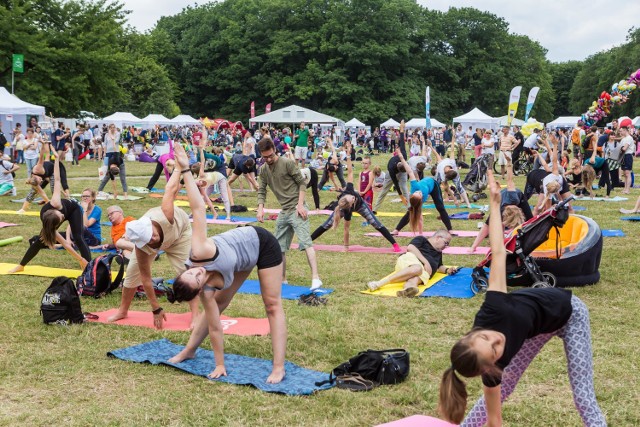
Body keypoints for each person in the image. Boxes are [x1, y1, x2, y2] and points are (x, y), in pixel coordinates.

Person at [438, 169, 606, 427]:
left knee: (582, 394)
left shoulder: (492, 311)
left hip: (569, 312)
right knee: (503, 390)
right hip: (534, 327)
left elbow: (498, 251)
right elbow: (495, 419)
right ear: (490, 367)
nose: (496, 341)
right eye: (494, 352)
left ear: (473, 333)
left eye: (485, 338)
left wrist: (495, 205)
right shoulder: (492, 370)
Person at [166, 142, 287, 384]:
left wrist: (186, 170)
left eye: (191, 272)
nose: (197, 271)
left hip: (261, 244)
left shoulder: (200, 253)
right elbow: (215, 327)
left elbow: (198, 209)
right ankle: (190, 349)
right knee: (217, 306)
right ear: (200, 288)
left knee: (272, 305)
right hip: (237, 261)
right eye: (197, 277)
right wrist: (219, 364)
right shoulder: (206, 292)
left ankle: (279, 366)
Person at [107, 156, 197, 330]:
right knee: (132, 273)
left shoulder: (166, 214)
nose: (153, 239)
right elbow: (146, 279)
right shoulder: (142, 245)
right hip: (157, 240)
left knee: (186, 274)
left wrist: (178, 167)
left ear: (152, 226)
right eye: (149, 239)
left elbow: (170, 189)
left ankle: (196, 315)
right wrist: (156, 308)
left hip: (179, 234)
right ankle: (123, 310)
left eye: (153, 235)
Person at [256, 137, 323, 290]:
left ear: (275, 150)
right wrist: (261, 208)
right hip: (285, 211)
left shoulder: (286, 163)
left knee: (306, 242)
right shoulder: (264, 170)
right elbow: (261, 190)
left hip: (297, 207)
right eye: (264, 157)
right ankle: (283, 279)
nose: (268, 159)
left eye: (270, 155)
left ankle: (316, 278)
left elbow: (301, 183)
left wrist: (300, 205)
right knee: (278, 247)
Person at [310, 143, 401, 252]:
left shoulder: (349, 189)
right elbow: (346, 229)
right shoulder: (346, 209)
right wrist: (346, 247)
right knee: (327, 225)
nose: (354, 197)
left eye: (352, 198)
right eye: (353, 199)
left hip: (361, 205)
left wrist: (348, 156)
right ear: (351, 204)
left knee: (375, 223)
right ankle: (308, 241)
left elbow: (350, 171)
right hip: (353, 207)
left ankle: (394, 244)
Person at [9, 154, 90, 273]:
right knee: (40, 241)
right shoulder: (49, 223)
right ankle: (21, 266)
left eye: (61, 215)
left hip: (74, 210)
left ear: (55, 210)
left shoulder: (56, 202)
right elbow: (66, 244)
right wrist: (79, 259)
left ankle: (89, 266)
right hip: (53, 220)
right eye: (61, 218)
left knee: (78, 237)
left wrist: (56, 160)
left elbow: (57, 180)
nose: (63, 217)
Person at [366, 230, 457, 297]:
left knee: (415, 280)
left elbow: (439, 266)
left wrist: (447, 270)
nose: (446, 247)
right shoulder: (422, 240)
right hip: (410, 261)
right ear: (438, 238)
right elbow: (410, 247)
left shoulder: (438, 253)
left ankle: (407, 290)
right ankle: (378, 284)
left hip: (423, 273)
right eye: (446, 243)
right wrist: (426, 263)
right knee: (417, 268)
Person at [469, 164, 532, 253]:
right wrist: (473, 246)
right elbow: (486, 227)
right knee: (497, 225)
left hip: (519, 197)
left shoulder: (515, 198)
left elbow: (510, 180)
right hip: (504, 200)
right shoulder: (498, 209)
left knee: (530, 221)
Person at [392, 148, 453, 234]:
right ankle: (396, 230)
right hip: (426, 189)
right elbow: (420, 218)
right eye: (419, 194)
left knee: (440, 207)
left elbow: (409, 171)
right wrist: (420, 234)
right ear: (421, 199)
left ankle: (450, 229)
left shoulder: (414, 186)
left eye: (417, 193)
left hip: (433, 184)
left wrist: (401, 158)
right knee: (411, 211)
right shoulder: (418, 201)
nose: (419, 192)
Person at [18, 142, 70, 213]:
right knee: (33, 191)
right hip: (46, 170)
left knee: (54, 189)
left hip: (53, 172)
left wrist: (43, 144)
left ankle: (60, 205)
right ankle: (23, 209)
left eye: (40, 180)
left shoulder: (38, 168)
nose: (42, 180)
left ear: (37, 177)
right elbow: (42, 193)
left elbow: (42, 155)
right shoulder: (34, 180)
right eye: (40, 181)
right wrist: (47, 201)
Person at [372, 120, 410, 212]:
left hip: (403, 171)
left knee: (405, 188)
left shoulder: (404, 155)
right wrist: (401, 196)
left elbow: (402, 141)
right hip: (391, 174)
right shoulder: (391, 167)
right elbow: (396, 185)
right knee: (384, 190)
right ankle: (375, 209)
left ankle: (410, 208)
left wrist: (401, 128)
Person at [191, 146, 233, 220]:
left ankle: (228, 215)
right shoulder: (199, 178)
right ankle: (193, 213)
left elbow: (203, 160)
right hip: (212, 180)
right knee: (203, 197)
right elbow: (206, 198)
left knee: (224, 196)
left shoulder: (201, 175)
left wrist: (201, 150)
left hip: (220, 178)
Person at [619, 123, 634, 194]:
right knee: (624, 174)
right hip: (623, 156)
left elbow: (624, 148)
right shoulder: (623, 139)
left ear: (625, 130)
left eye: (621, 131)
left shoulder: (629, 138)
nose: (620, 133)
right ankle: (625, 188)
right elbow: (620, 148)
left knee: (628, 173)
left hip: (628, 156)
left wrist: (621, 148)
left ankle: (628, 189)